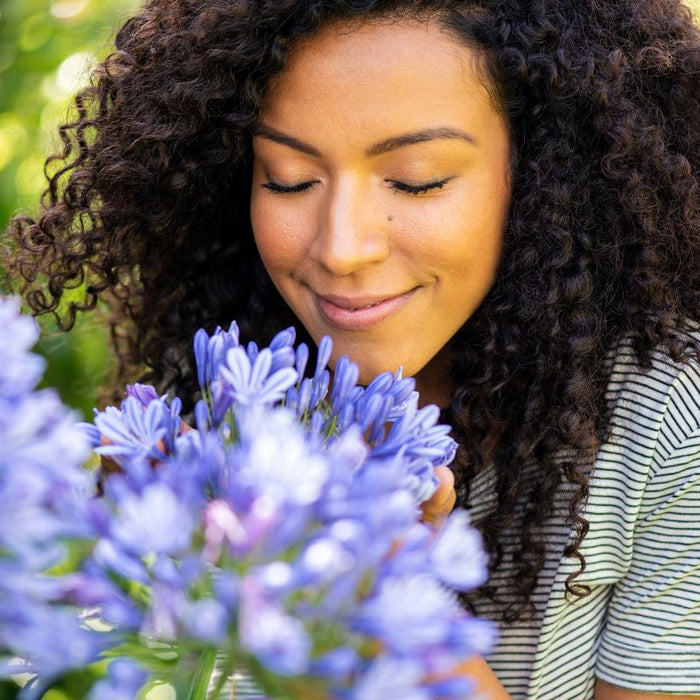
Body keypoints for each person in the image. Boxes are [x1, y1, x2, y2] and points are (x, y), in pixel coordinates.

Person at [4, 0, 700, 698]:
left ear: (546, 166)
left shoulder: (668, 420)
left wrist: (383, 595)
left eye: (417, 178)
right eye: (288, 178)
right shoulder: (232, 391)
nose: (342, 249)